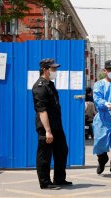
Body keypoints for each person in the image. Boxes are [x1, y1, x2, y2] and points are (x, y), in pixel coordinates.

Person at [32, 58, 72, 190]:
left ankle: (59, 179)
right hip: (46, 126)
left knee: (62, 151)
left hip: (56, 125)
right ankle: (45, 182)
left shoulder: (50, 84)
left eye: (55, 69)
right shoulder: (40, 87)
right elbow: (42, 110)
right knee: (45, 154)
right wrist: (48, 131)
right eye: (53, 69)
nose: (55, 71)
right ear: (45, 69)